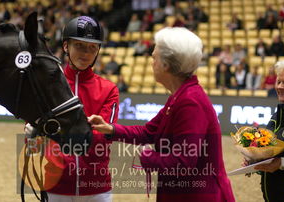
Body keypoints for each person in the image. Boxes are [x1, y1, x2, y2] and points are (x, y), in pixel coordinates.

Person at [88, 27, 235, 201]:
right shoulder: (181, 96)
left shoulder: (189, 102)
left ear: (166, 65)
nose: (152, 61)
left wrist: (148, 156)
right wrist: (110, 129)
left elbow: (183, 161)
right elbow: (148, 132)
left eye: (155, 57)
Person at [42, 16, 119, 201]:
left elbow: (102, 136)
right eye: (79, 45)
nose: (86, 53)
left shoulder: (109, 90)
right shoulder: (48, 85)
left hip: (96, 187)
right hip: (56, 184)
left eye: (92, 47)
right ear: (66, 46)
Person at [253, 60, 284, 202]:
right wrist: (254, 160)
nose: (280, 87)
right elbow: (268, 149)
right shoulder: (278, 114)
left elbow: (280, 159)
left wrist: (282, 163)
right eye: (278, 81)